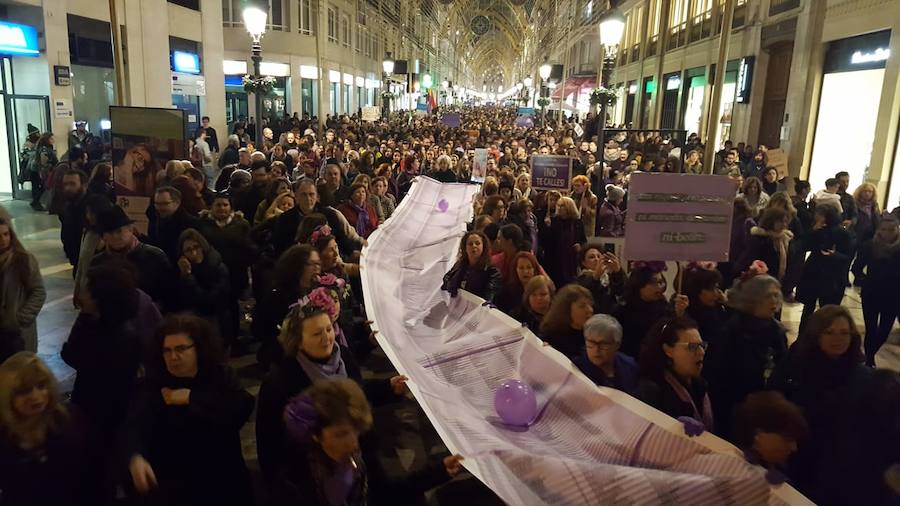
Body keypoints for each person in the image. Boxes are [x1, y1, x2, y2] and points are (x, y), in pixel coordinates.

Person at [255, 288, 406, 486]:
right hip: (313, 475)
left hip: (356, 458)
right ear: (298, 341)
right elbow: (269, 441)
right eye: (317, 333)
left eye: (328, 329)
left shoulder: (342, 355)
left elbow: (355, 394)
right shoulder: (280, 382)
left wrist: (387, 388)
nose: (327, 338)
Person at [124, 314, 254, 506]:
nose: (173, 357)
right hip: (175, 483)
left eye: (181, 349)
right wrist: (135, 456)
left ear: (199, 349)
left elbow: (240, 408)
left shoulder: (220, 375)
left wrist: (190, 397)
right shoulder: (153, 385)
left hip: (221, 476)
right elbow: (134, 425)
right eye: (166, 351)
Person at [279, 378, 464, 505]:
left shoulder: (359, 455)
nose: (353, 443)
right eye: (340, 434)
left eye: (355, 432)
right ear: (315, 435)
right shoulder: (295, 483)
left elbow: (384, 493)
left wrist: (438, 472)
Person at [768, 306, 885, 506]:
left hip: (842, 466)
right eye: (829, 332)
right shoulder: (794, 366)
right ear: (816, 334)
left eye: (844, 333)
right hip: (802, 459)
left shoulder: (862, 375)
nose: (837, 339)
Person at [704, 262, 787, 437]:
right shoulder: (731, 332)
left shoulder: (776, 331)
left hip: (767, 408)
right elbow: (717, 377)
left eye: (775, 295)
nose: (774, 301)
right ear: (752, 300)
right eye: (767, 297)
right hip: (736, 411)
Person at [0, 352, 90, 506]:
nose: (36, 396)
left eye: (41, 385)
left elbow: (88, 470)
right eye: (24, 391)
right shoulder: (4, 435)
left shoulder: (69, 418)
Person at [635, 317, 713, 430]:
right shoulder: (651, 392)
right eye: (692, 347)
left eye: (702, 345)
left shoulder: (700, 385)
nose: (701, 352)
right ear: (668, 350)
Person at [252, 244, 323, 367]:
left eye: (318, 264)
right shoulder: (278, 295)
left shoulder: (314, 290)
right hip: (283, 355)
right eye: (312, 264)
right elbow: (259, 329)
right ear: (297, 266)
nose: (317, 268)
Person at [90, 206, 172, 309]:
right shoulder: (98, 263)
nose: (115, 236)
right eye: (110, 233)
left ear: (131, 229)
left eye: (119, 231)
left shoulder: (155, 257)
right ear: (103, 237)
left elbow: (168, 296)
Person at [796, 205, 852, 332]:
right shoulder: (818, 231)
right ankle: (804, 338)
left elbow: (847, 255)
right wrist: (812, 230)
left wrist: (834, 255)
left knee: (824, 311)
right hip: (816, 272)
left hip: (830, 275)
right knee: (810, 309)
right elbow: (804, 246)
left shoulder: (842, 233)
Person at [614, 263, 687, 358]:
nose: (659, 287)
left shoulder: (663, 306)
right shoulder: (623, 309)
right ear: (639, 284)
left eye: (660, 282)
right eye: (653, 282)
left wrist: (679, 313)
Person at [855, 217, 900, 366]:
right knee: (871, 328)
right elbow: (856, 267)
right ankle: (869, 360)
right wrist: (865, 281)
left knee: (884, 331)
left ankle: (869, 353)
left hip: (893, 294)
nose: (887, 233)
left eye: (891, 230)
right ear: (879, 230)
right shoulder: (870, 246)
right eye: (884, 229)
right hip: (872, 293)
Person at [198, 193, 256, 307]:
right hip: (211, 273)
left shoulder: (241, 224)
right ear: (211, 207)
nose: (222, 208)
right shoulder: (202, 224)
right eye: (218, 205)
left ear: (231, 207)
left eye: (225, 205)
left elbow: (249, 247)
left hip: (235, 273)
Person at [0, 216, 46, 360]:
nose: (2, 240)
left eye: (6, 234)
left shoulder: (23, 260)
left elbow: (38, 292)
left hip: (17, 333)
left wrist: (19, 318)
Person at [173, 229, 233, 339]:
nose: (194, 253)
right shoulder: (182, 269)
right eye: (188, 250)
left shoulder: (218, 268)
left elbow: (210, 302)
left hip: (216, 323)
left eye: (196, 247)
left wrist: (188, 278)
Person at [732, 391, 808, 477]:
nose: (794, 448)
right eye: (788, 439)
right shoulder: (736, 474)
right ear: (759, 435)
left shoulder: (777, 470)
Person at [572, 314, 639, 393]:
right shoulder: (575, 368)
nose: (596, 350)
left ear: (617, 345)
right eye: (591, 342)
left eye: (603, 344)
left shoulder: (629, 366)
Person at [441, 231, 502, 303]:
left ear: (483, 246)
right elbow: (446, 280)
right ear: (465, 248)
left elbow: (489, 296)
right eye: (470, 244)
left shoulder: (492, 271)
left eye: (477, 243)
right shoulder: (459, 265)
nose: (474, 246)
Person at [148, 186, 202, 264]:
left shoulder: (191, 224)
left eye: (164, 204)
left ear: (177, 203)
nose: (159, 208)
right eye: (157, 204)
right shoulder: (155, 220)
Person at [736, 207, 793, 281]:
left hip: (776, 281)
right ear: (771, 221)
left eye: (786, 222)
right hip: (760, 281)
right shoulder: (759, 238)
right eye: (781, 222)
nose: (784, 225)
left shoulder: (784, 239)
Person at [540, 196, 586, 287]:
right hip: (555, 260)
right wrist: (547, 227)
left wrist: (580, 246)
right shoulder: (553, 221)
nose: (559, 208)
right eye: (558, 205)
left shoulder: (577, 223)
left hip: (571, 260)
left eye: (562, 206)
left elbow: (583, 239)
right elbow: (544, 241)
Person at [539, 284, 594, 359]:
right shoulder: (551, 334)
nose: (590, 310)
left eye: (590, 305)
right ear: (566, 310)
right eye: (582, 306)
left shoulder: (594, 333)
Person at [682, 262, 728, 347]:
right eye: (710, 289)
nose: (716, 293)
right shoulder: (686, 316)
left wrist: (727, 305)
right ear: (695, 290)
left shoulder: (718, 309)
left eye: (717, 287)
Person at [850, 183, 881, 286]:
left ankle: (858, 274)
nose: (867, 194)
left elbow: (877, 219)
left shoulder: (874, 205)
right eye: (865, 191)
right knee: (851, 254)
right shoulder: (855, 203)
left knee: (865, 256)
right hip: (857, 232)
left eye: (870, 191)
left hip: (870, 234)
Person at [58, 168, 88, 267]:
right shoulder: (67, 206)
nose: (67, 188)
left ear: (84, 185)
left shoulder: (92, 207)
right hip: (75, 258)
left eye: (72, 184)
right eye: (65, 184)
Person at [29, 132, 58, 211]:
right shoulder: (44, 148)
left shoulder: (45, 147)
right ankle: (36, 202)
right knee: (42, 187)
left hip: (37, 170)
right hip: (39, 170)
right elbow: (43, 160)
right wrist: (44, 170)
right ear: (47, 139)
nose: (53, 140)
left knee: (38, 187)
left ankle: (35, 202)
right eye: (51, 138)